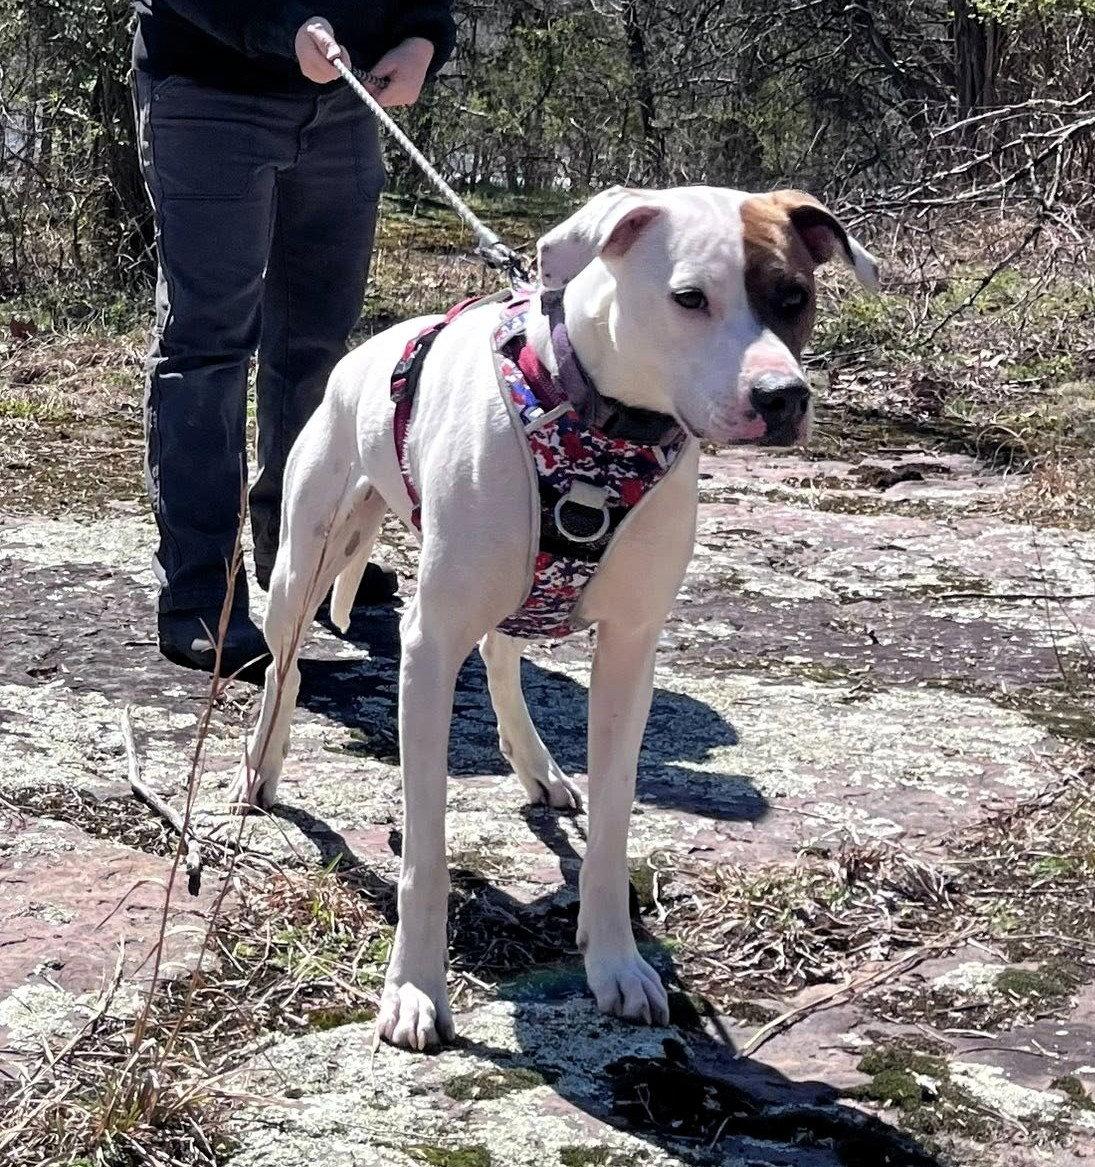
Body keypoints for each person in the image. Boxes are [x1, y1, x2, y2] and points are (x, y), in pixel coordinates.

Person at [131, 3, 456, 674]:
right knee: (207, 349)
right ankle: (200, 594)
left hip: (345, 102)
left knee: (317, 347)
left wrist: (422, 35)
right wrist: (282, 27)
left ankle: (299, 554)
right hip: (206, 91)